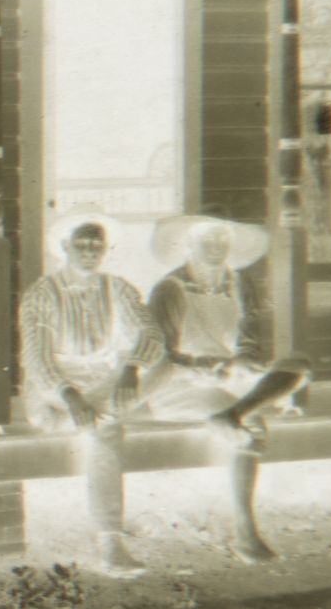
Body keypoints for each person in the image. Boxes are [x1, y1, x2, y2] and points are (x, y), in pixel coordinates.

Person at [144, 214, 312, 560]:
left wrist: (245, 361)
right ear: (190, 244)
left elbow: (246, 339)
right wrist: (206, 368)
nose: (216, 247)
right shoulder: (169, 290)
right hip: (179, 384)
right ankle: (245, 532)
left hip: (227, 379)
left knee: (298, 365)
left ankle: (234, 411)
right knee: (252, 427)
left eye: (222, 239)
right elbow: (161, 356)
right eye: (208, 239)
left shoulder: (237, 283)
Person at [18, 213, 168, 575]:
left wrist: (131, 368)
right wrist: (72, 398)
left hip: (101, 378)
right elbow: (37, 358)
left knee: (165, 364)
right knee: (107, 429)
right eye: (82, 243)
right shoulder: (43, 293)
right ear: (65, 247)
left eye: (97, 244)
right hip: (55, 382)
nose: (90, 251)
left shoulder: (116, 287)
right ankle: (110, 540)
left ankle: (75, 417)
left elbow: (152, 332)